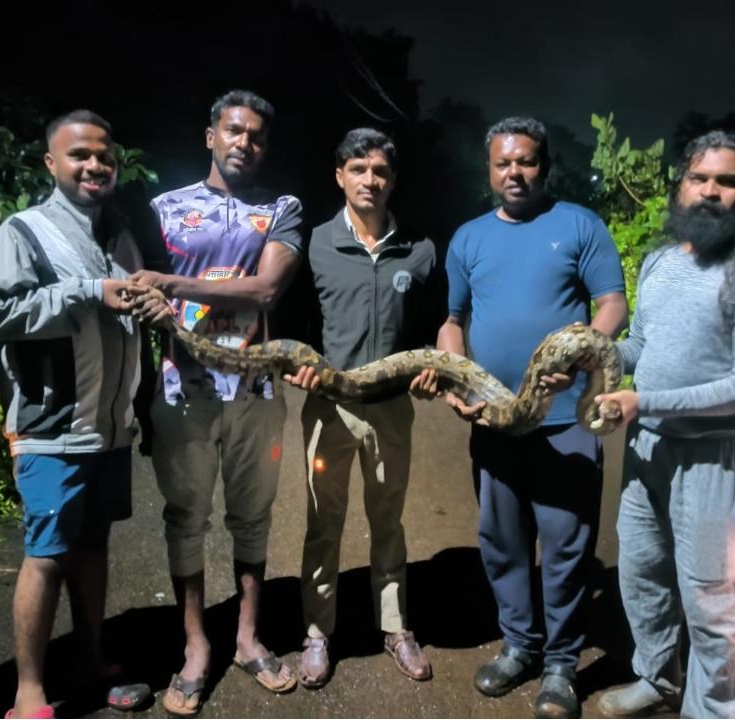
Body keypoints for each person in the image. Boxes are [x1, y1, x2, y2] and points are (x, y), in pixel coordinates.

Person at [590, 131, 735, 718]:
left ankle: (712, 711)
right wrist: (594, 353)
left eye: (727, 182)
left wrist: (643, 401)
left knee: (715, 605)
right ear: (680, 185)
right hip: (647, 451)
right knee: (642, 577)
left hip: (713, 460)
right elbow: (641, 347)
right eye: (699, 178)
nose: (710, 191)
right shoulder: (659, 261)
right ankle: (656, 679)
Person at [431, 116, 628, 719]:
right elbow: (453, 321)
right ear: (488, 170)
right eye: (502, 163)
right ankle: (520, 646)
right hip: (494, 420)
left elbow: (613, 304)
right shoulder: (467, 238)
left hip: (565, 420)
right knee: (502, 542)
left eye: (526, 162)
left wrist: (584, 354)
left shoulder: (578, 225)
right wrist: (452, 368)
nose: (514, 173)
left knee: (567, 546)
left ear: (545, 166)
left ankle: (563, 665)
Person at [0, 110, 165, 719]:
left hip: (108, 429)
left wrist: (152, 305)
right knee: (47, 555)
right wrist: (87, 293)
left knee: (92, 547)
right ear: (51, 164)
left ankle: (92, 659)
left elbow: (129, 320)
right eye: (79, 155)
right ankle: (28, 692)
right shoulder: (22, 232)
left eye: (104, 157)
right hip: (53, 428)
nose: (94, 166)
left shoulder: (118, 235)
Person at [127, 89, 304, 715]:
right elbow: (134, 293)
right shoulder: (163, 210)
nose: (244, 143)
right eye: (233, 130)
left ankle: (249, 637)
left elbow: (264, 290)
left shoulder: (283, 209)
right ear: (211, 136)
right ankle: (197, 643)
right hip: (182, 389)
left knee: (253, 517)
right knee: (187, 519)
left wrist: (170, 283)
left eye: (256, 135)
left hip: (256, 389)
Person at [282, 128, 440, 688]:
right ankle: (318, 633)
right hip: (329, 408)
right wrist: (295, 368)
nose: (369, 179)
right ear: (339, 176)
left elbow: (431, 326)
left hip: (392, 409)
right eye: (358, 169)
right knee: (323, 523)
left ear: (392, 179)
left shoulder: (419, 249)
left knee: (388, 520)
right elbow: (292, 325)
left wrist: (430, 369)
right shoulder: (316, 245)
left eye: (379, 171)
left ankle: (396, 627)